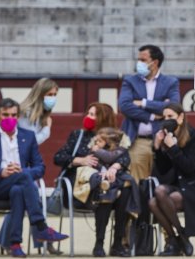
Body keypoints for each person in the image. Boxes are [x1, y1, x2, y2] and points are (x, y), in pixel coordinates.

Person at [0, 98, 69, 258]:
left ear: (18, 116)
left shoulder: (28, 136)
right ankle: (41, 226)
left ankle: (15, 244)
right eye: (5, 115)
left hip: (20, 186)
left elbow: (40, 167)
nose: (10, 118)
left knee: (18, 189)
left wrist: (22, 172)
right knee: (22, 180)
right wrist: (1, 172)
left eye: (14, 115)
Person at [54, 103, 135, 257]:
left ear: (103, 119)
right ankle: (99, 243)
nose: (88, 117)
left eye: (93, 115)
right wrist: (79, 160)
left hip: (110, 184)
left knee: (125, 190)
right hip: (82, 188)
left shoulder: (116, 137)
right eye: (88, 113)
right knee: (105, 189)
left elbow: (126, 158)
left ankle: (117, 243)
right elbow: (58, 157)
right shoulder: (78, 135)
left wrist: (114, 167)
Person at [0, 77, 59, 253]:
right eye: (49, 94)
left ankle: (7, 240)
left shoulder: (39, 114)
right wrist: (47, 130)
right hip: (14, 165)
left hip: (24, 166)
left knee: (22, 199)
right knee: (26, 198)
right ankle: (41, 239)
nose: (53, 98)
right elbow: (27, 143)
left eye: (55, 94)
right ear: (40, 94)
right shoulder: (24, 113)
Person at [148, 103, 195, 256]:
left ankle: (177, 240)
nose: (167, 120)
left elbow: (189, 168)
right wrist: (158, 148)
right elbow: (162, 170)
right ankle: (179, 238)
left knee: (158, 197)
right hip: (176, 187)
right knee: (153, 200)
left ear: (180, 117)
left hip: (193, 188)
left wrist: (173, 148)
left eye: (170, 117)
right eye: (164, 117)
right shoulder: (167, 137)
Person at [118, 44, 180, 184]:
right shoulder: (130, 80)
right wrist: (152, 116)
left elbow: (174, 106)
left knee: (162, 181)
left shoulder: (171, 82)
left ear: (155, 62)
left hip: (163, 140)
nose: (139, 63)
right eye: (138, 59)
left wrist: (143, 103)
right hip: (138, 140)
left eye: (143, 60)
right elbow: (125, 106)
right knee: (136, 182)